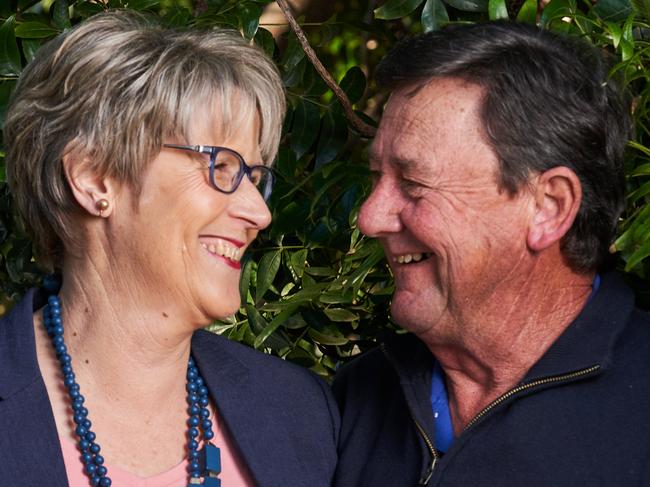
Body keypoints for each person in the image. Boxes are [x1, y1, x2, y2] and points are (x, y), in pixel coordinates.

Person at [0, 11, 338, 487]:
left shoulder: (299, 413)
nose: (259, 215)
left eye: (255, 178)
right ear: (94, 177)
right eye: (222, 165)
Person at [332, 21, 650, 486]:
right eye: (376, 177)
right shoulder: (357, 398)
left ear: (548, 207)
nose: (370, 217)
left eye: (414, 184)